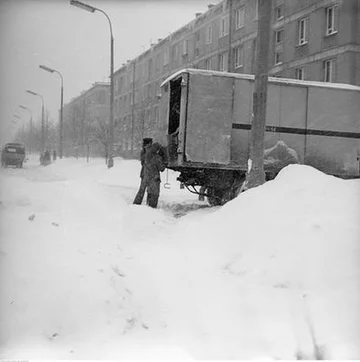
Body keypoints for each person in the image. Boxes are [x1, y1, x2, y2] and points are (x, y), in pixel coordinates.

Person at [143, 142, 167, 208]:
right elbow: (161, 168)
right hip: (155, 178)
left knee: (149, 192)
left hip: (148, 177)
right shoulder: (157, 157)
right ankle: (152, 208)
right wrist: (164, 161)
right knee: (155, 194)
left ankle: (148, 207)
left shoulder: (147, 155)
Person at [133, 138, 153, 205]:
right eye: (150, 143)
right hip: (145, 173)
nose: (151, 144)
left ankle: (148, 204)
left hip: (148, 173)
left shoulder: (149, 151)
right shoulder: (144, 151)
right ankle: (137, 203)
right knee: (142, 189)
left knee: (149, 190)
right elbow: (144, 161)